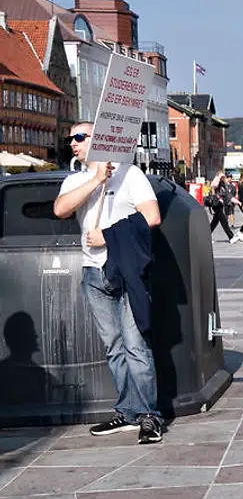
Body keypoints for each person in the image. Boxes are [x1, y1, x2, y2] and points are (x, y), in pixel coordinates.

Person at [52, 121, 164, 444]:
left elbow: (152, 216)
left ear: (98, 139)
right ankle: (127, 410)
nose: (72, 143)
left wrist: (108, 236)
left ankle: (149, 415)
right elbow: (61, 209)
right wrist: (97, 179)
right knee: (113, 346)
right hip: (93, 272)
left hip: (127, 270)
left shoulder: (130, 175)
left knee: (135, 343)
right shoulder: (75, 179)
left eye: (79, 137)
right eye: (70, 139)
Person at [207, 172, 235, 242]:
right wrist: (219, 177)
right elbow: (213, 186)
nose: (223, 177)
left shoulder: (222, 184)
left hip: (220, 204)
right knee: (223, 221)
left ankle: (206, 236)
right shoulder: (216, 182)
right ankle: (231, 236)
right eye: (222, 176)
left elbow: (227, 193)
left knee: (214, 222)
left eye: (223, 176)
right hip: (215, 204)